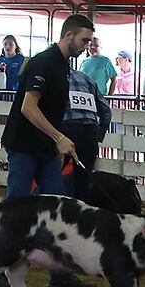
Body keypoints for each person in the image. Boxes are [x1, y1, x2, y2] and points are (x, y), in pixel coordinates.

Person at [0, 13, 97, 287]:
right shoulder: (44, 62)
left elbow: (49, 111)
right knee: (17, 207)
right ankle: (0, 266)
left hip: (42, 148)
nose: (87, 46)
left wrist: (55, 143)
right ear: (69, 36)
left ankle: (60, 273)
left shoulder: (62, 65)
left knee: (60, 207)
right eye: (84, 40)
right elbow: (28, 108)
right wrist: (59, 137)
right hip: (24, 145)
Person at [60, 63, 111, 206]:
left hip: (66, 129)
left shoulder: (54, 77)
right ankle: (80, 217)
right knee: (83, 180)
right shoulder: (87, 79)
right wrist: (98, 135)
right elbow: (106, 112)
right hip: (90, 131)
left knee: (51, 174)